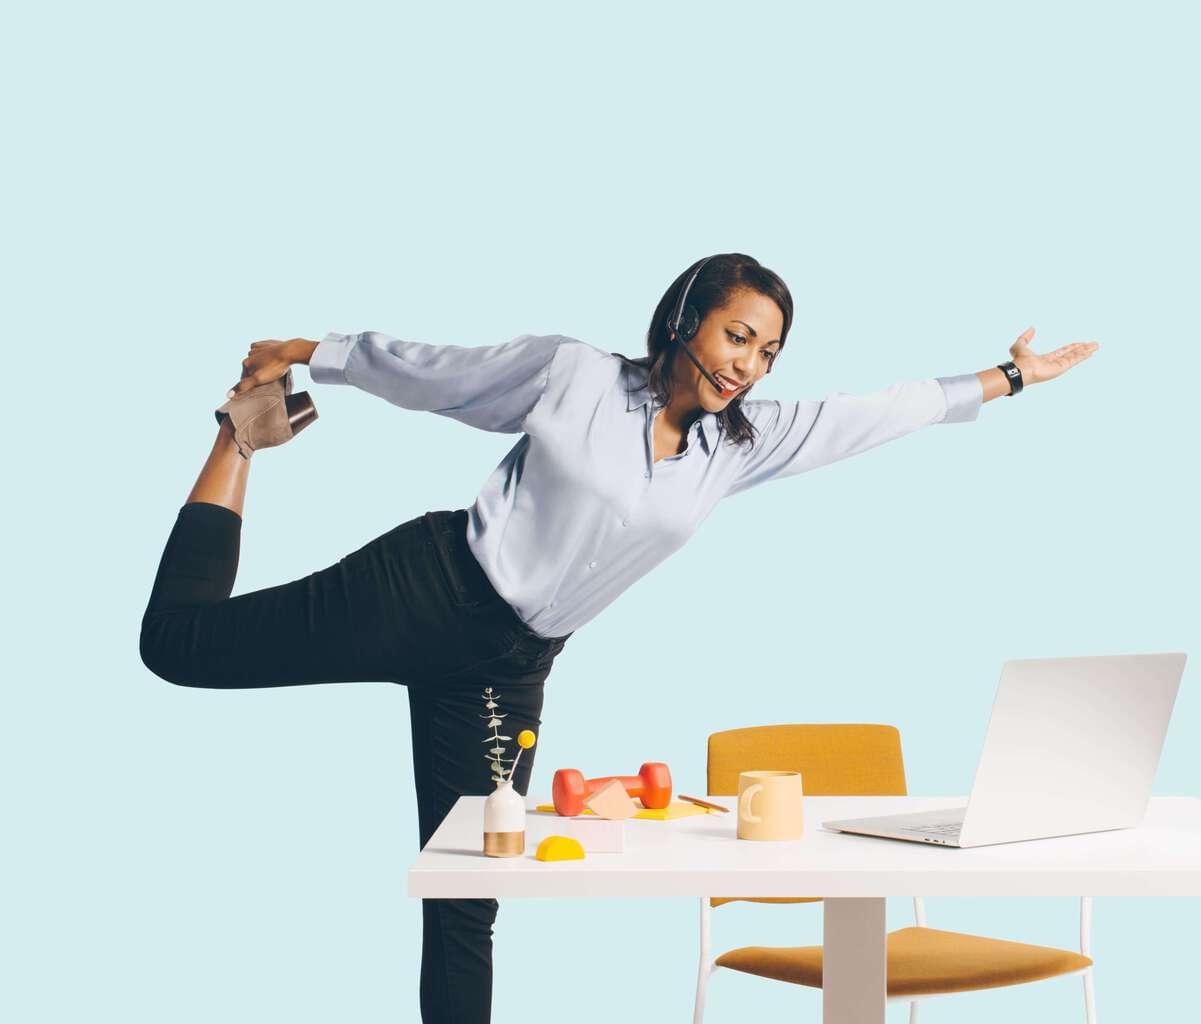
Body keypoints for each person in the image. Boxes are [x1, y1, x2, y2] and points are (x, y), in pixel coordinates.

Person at [137, 252, 1098, 1023]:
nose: (747, 365)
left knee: (468, 891)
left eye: (768, 352)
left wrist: (1011, 376)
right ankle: (239, 440)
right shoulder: (575, 377)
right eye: (736, 335)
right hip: (428, 587)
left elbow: (878, 412)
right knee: (178, 646)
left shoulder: (739, 448)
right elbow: (434, 374)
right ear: (683, 317)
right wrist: (313, 349)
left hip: (507, 667)